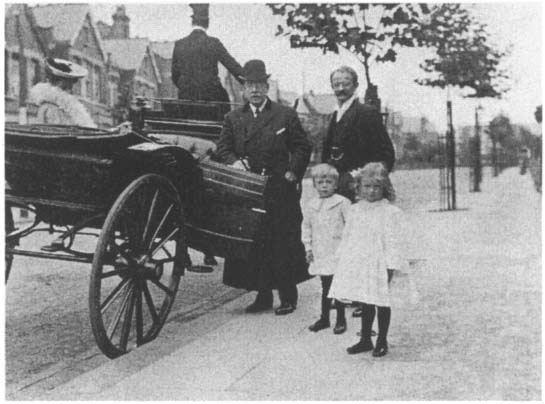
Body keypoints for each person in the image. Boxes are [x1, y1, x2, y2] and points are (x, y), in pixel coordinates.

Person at [215, 59, 311, 315]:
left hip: (279, 188)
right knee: (255, 243)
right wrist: (234, 162)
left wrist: (294, 172)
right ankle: (262, 296)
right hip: (248, 190)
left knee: (283, 242)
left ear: (267, 87)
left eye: (259, 85)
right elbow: (223, 148)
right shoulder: (234, 118)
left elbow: (302, 146)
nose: (254, 90)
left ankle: (288, 297)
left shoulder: (284, 114)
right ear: (243, 90)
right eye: (249, 85)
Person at [328, 163, 404, 357]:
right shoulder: (355, 210)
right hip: (361, 259)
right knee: (365, 300)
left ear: (384, 188)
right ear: (359, 188)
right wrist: (343, 259)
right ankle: (365, 339)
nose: (371, 191)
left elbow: (394, 241)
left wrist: (391, 265)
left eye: (376, 187)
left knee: (382, 301)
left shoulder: (390, 212)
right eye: (367, 186)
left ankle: (382, 339)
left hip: (380, 261)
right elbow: (348, 236)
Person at [322, 66, 395, 202]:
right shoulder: (334, 114)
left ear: (355, 86)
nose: (341, 88)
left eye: (346, 84)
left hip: (360, 188)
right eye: (336, 84)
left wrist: (364, 176)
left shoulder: (367, 112)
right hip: (338, 187)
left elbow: (386, 154)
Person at [302, 163, 351, 334]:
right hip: (320, 250)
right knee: (325, 286)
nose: (324, 186)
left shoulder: (342, 203)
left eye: (328, 182)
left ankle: (341, 319)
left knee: (338, 286)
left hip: (337, 250)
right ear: (314, 184)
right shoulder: (311, 205)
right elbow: (306, 228)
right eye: (320, 182)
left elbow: (351, 226)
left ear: (335, 184)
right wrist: (308, 248)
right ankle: (324, 318)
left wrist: (348, 248)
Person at [171, 3, 243, 109]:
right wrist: (250, 80)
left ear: (192, 22)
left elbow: (175, 76)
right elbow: (232, 66)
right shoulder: (214, 43)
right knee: (226, 108)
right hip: (212, 97)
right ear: (207, 23)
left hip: (186, 99)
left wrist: (188, 88)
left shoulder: (179, 44)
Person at [29, 57, 96, 128]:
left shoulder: (52, 104)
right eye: (69, 82)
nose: (71, 87)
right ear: (60, 82)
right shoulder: (53, 108)